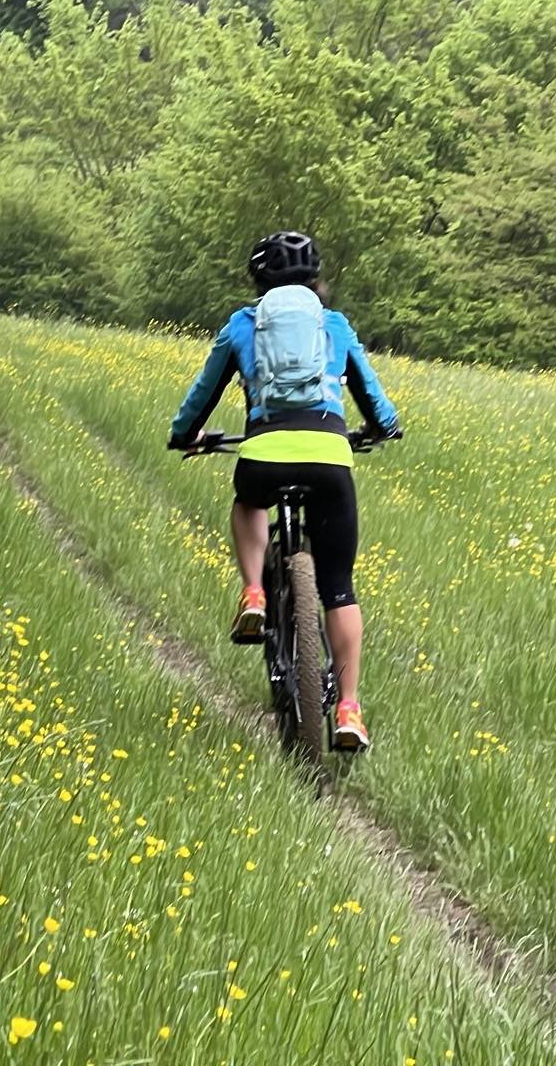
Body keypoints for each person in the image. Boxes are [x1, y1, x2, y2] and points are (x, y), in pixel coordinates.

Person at [166, 231, 401, 751]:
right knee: (338, 586)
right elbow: (377, 404)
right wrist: (382, 427)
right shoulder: (333, 326)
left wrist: (187, 436)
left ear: (260, 281)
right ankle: (349, 709)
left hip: (264, 454)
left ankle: (254, 591)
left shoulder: (244, 325)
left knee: (248, 500)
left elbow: (202, 394)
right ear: (316, 280)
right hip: (330, 460)